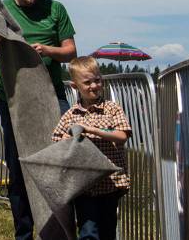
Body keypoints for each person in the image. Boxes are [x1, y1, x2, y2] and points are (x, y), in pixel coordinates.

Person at [0, 0, 76, 240]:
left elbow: (71, 52)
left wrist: (48, 50)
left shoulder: (56, 10)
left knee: (58, 166)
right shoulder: (0, 11)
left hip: (52, 99)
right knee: (18, 172)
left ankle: (59, 231)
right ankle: (23, 234)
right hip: (14, 103)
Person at [52, 57, 130, 240]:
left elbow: (122, 136)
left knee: (107, 230)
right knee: (88, 232)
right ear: (75, 86)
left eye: (97, 80)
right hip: (83, 186)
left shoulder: (112, 109)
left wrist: (94, 130)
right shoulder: (71, 114)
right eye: (87, 82)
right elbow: (56, 140)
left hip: (109, 183)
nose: (94, 85)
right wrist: (67, 138)